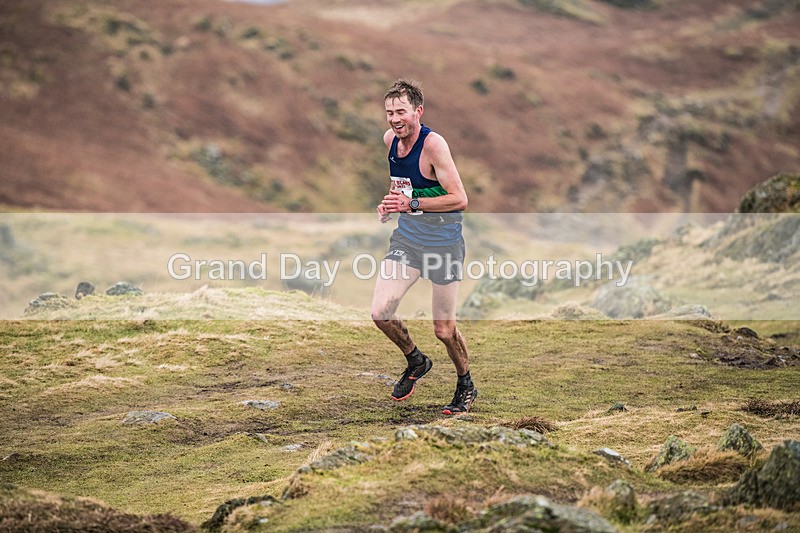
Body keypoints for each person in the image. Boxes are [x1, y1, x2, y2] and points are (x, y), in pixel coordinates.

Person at [371, 79, 477, 415]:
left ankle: (465, 384)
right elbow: (401, 186)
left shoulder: (434, 145)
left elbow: (459, 198)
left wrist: (412, 203)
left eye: (400, 111)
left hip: (444, 244)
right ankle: (415, 360)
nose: (394, 118)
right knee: (381, 312)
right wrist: (390, 205)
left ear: (418, 111)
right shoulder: (390, 141)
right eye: (389, 112)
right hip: (408, 240)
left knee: (444, 330)